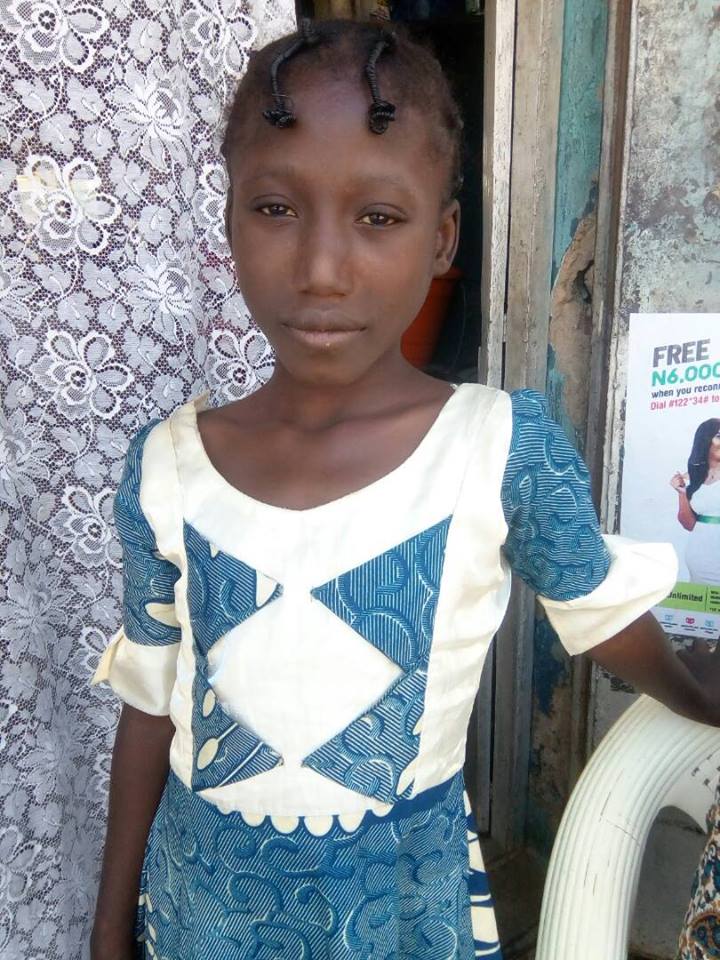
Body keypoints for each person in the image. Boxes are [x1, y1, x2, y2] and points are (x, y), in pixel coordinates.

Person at [90, 19, 720, 959]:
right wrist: (110, 929)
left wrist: (695, 691)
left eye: (378, 218)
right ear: (228, 223)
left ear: (442, 237)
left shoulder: (496, 449)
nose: (321, 269)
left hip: (400, 916)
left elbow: (597, 610)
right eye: (275, 208)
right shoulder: (167, 468)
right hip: (199, 914)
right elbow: (150, 703)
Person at [671, 418, 720, 585]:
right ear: (705, 440)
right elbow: (689, 524)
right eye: (719, 436)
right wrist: (682, 493)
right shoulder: (694, 478)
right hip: (697, 560)